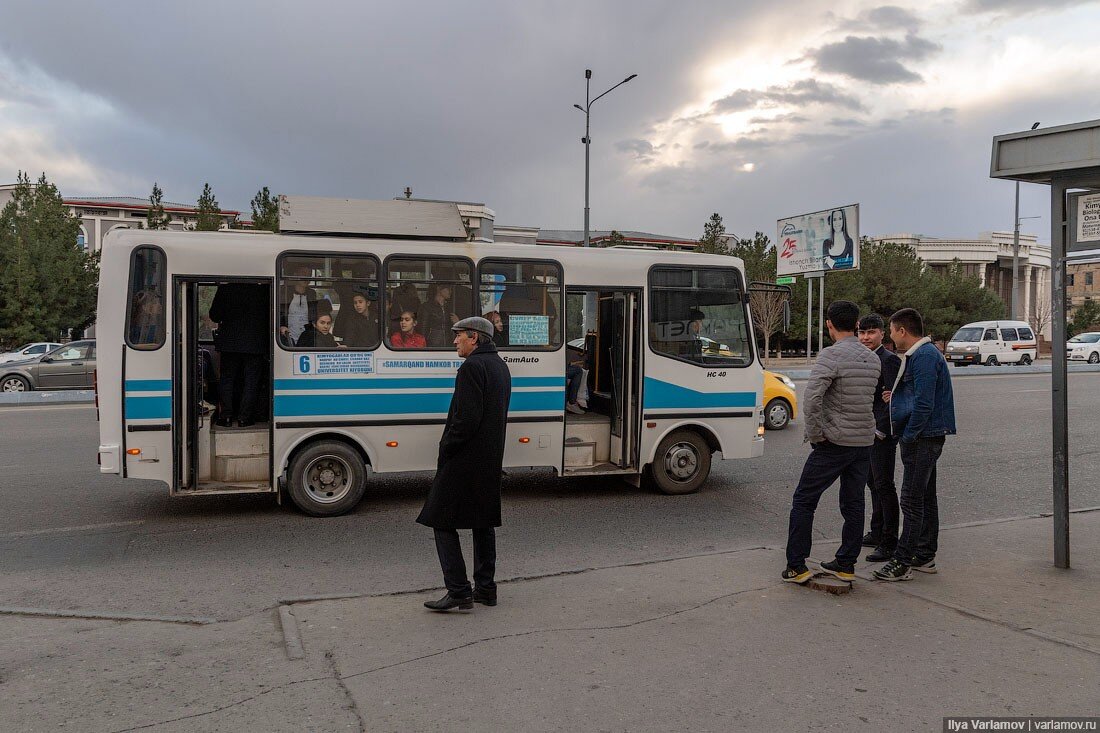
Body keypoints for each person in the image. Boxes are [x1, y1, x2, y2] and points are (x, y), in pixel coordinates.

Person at [417, 316, 512, 611]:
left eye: (459, 336)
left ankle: (459, 590)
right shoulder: (499, 366)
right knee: (483, 522)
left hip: (464, 458)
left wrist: (446, 447)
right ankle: (486, 589)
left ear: (475, 337)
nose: (455, 341)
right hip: (489, 458)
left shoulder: (472, 367)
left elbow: (465, 420)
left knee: (439, 519)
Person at [783, 300, 880, 584]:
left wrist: (816, 435)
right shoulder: (872, 359)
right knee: (854, 503)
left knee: (804, 500)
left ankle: (796, 566)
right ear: (857, 324)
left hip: (834, 442)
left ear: (829, 324)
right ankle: (845, 563)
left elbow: (812, 399)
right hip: (863, 442)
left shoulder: (831, 356)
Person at [873, 308, 956, 581]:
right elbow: (916, 395)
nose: (890, 336)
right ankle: (924, 555)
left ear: (902, 331)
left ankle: (902, 561)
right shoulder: (922, 355)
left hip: (923, 438)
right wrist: (893, 395)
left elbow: (924, 403)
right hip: (925, 435)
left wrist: (908, 435)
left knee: (910, 499)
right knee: (924, 497)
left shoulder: (923, 356)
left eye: (891, 330)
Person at [857, 313, 902, 563]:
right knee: (872, 484)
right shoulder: (863, 357)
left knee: (884, 486)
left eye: (871, 332)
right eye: (862, 333)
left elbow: (891, 400)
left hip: (881, 434)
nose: (866, 337)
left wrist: (881, 431)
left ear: (882, 334)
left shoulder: (889, 360)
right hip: (866, 431)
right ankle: (876, 531)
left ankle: (889, 542)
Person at [209, 282, 269, 428]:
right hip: (255, 343)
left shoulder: (225, 288)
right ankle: (245, 418)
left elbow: (214, 315)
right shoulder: (262, 289)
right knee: (251, 382)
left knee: (227, 380)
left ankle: (226, 416)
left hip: (230, 343)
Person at [279, 265, 319, 346]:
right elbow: (278, 311)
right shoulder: (284, 291)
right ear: (295, 274)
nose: (306, 277)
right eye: (303, 273)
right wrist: (281, 326)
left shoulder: (312, 293)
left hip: (306, 335)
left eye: (309, 274)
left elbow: (314, 314)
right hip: (287, 335)